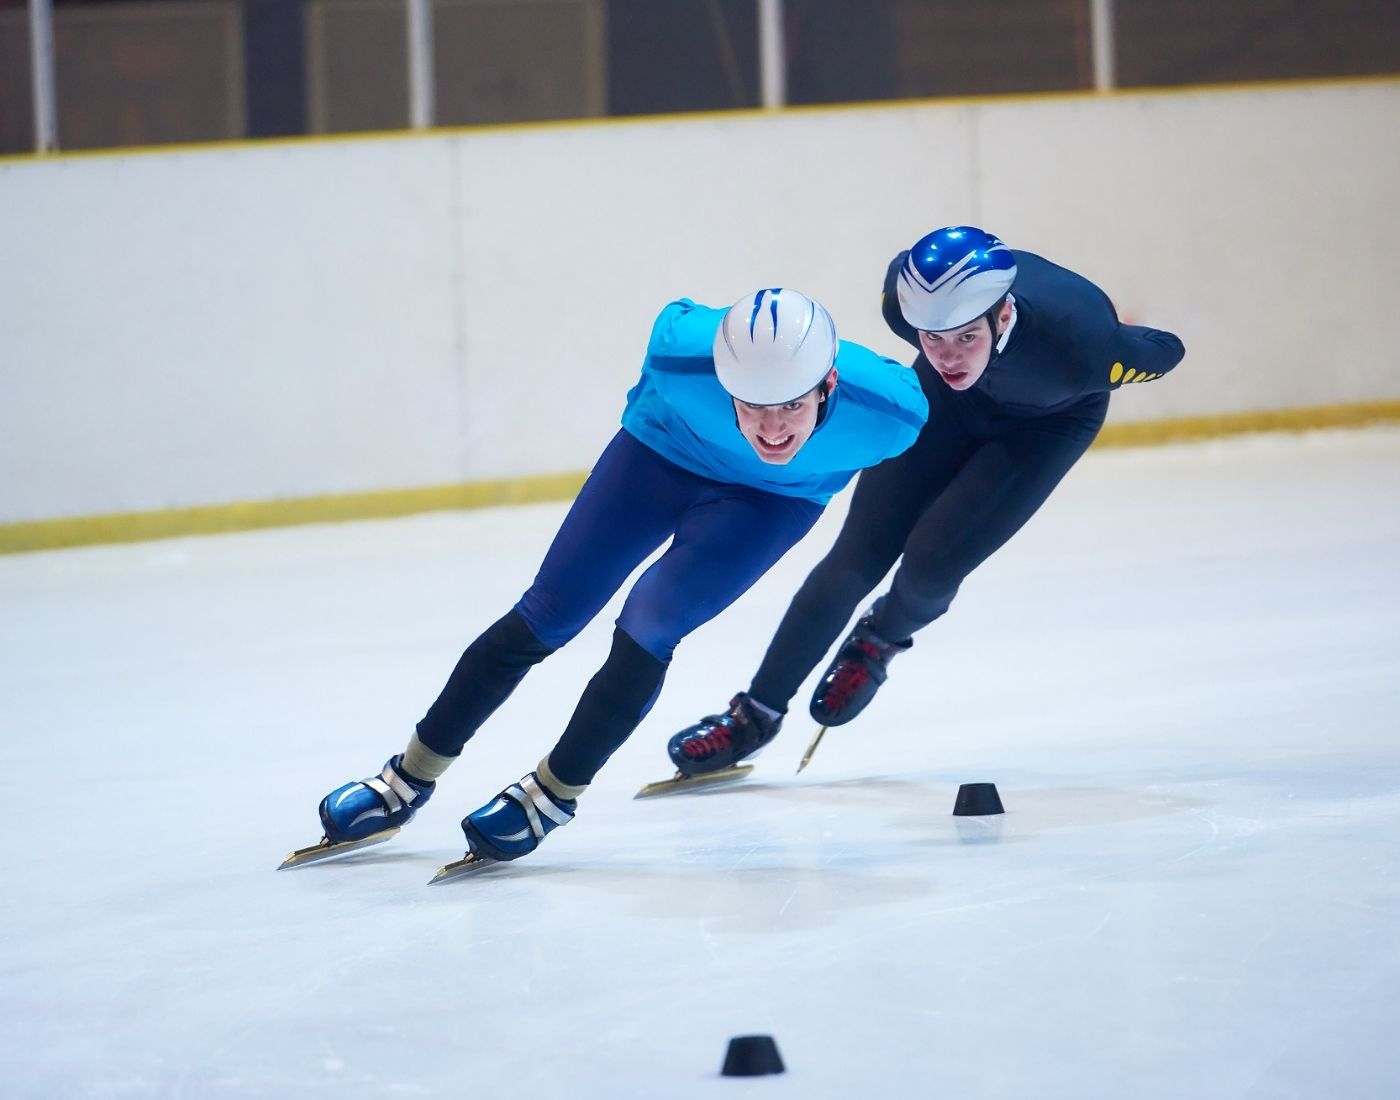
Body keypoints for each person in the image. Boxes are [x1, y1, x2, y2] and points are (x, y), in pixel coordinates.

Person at [302, 288, 928, 868]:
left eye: (791, 404)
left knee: (650, 620)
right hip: (660, 457)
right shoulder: (681, 356)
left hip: (770, 502)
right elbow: (676, 314)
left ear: (830, 382)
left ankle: (554, 792)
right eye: (750, 404)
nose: (771, 428)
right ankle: (406, 778)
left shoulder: (892, 412)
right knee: (549, 611)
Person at [667, 226, 1186, 775]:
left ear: (1003, 316)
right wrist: (947, 348)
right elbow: (935, 329)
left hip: (1046, 426)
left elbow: (1167, 350)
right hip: (949, 406)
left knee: (933, 564)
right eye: (933, 338)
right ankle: (755, 715)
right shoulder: (907, 303)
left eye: (966, 337)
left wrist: (1118, 342)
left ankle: (881, 638)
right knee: (854, 558)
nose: (948, 354)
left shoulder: (1084, 348)